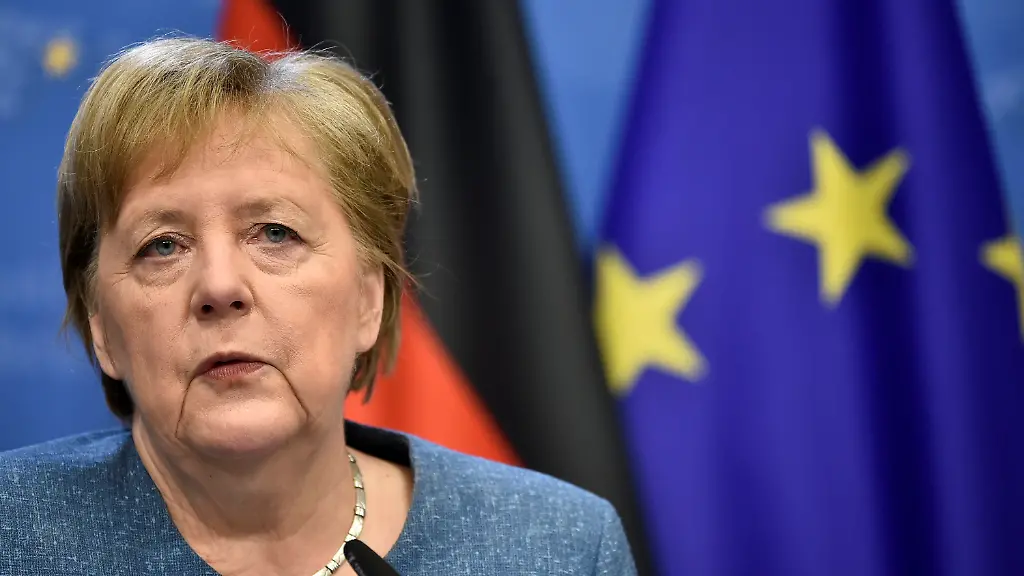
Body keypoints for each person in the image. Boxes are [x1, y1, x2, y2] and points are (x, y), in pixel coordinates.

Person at [0, 38, 637, 576]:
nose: (220, 286)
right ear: (101, 327)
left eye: (275, 233)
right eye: (162, 245)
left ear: (368, 299)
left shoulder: (559, 549)